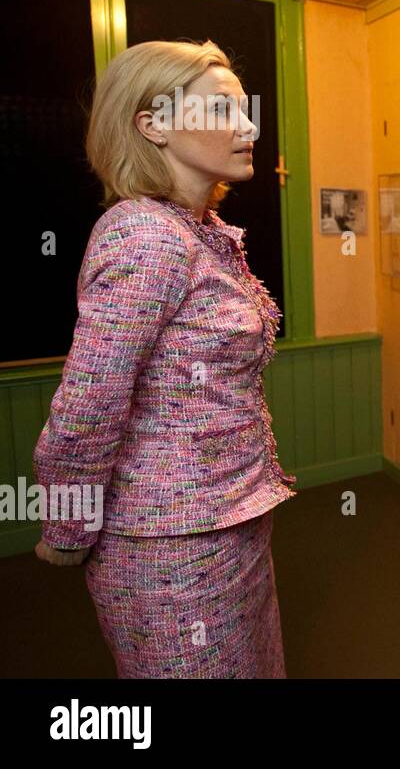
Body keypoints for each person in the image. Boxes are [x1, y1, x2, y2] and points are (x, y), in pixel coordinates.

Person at [33, 39, 296, 678]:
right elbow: (87, 406)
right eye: (222, 109)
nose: (249, 127)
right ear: (152, 125)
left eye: (246, 109)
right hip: (168, 549)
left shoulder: (197, 231)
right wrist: (66, 528)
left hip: (231, 522)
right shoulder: (146, 236)